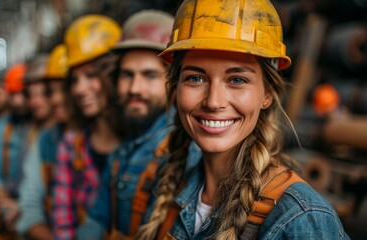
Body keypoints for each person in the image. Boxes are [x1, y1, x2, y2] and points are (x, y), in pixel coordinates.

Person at [136, 0, 350, 239]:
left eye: (237, 80)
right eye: (196, 78)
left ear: (267, 94)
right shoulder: (170, 186)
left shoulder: (301, 219)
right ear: (176, 88)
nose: (213, 101)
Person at [79, 9, 201, 239]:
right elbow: (97, 218)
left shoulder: (183, 149)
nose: (135, 88)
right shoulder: (126, 142)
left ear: (174, 82)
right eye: (127, 75)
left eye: (149, 75)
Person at [51, 14, 122, 240]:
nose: (79, 89)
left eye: (91, 75)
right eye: (74, 79)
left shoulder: (142, 142)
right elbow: (62, 217)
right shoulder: (71, 144)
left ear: (114, 74)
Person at [16, 44, 68, 240]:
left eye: (43, 93)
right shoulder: (42, 138)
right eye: (30, 95)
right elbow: (29, 200)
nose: (35, 102)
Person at [0, 63, 29, 239]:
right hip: (10, 210)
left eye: (23, 93)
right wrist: (6, 204)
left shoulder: (46, 130)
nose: (17, 101)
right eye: (13, 94)